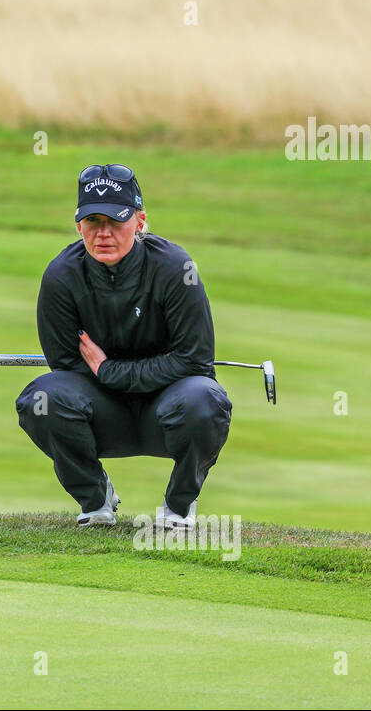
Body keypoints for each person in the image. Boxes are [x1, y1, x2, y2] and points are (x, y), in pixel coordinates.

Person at [15, 164, 232, 529]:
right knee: (42, 400)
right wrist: (111, 375)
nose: (104, 233)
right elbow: (67, 368)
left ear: (140, 221)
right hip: (104, 413)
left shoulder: (177, 269)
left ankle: (179, 506)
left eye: (115, 221)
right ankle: (94, 497)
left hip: (168, 410)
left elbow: (195, 363)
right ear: (77, 225)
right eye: (93, 221)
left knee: (205, 400)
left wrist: (110, 370)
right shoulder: (61, 277)